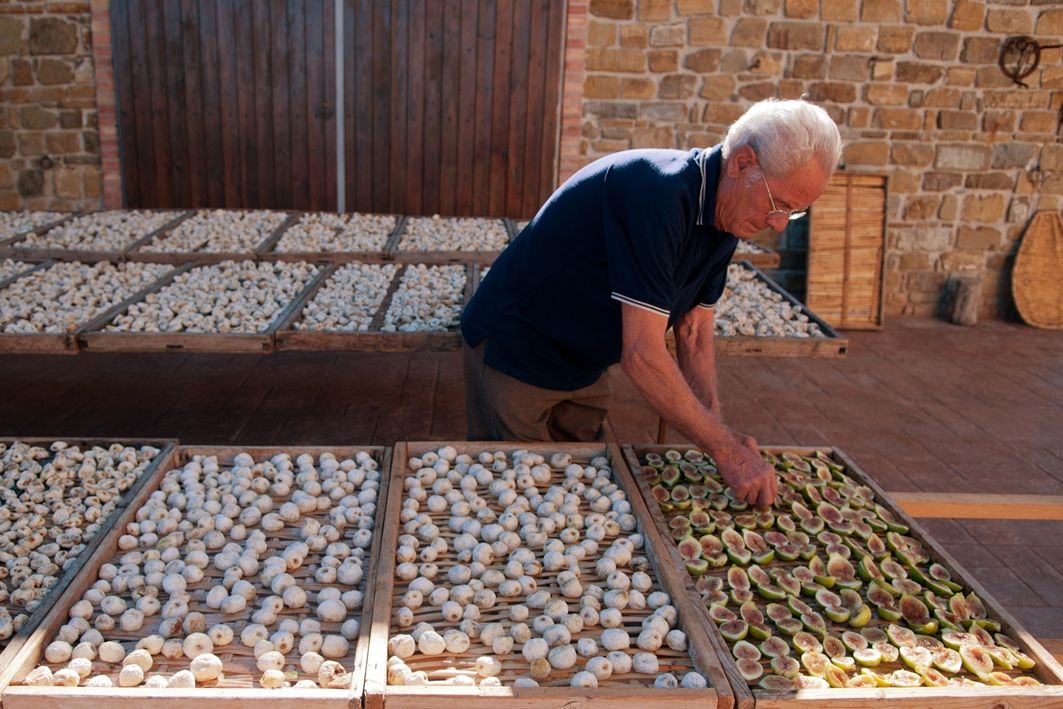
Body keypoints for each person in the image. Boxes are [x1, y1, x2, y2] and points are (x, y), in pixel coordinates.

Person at [460, 99, 843, 507]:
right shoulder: (658, 194)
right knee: (513, 497)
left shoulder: (726, 219)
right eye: (779, 203)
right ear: (742, 163)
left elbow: (694, 332)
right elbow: (642, 354)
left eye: (795, 212)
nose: (779, 223)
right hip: (518, 346)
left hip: (584, 364)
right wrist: (725, 449)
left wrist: (718, 432)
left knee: (579, 490)